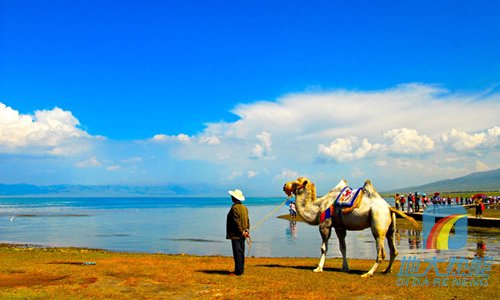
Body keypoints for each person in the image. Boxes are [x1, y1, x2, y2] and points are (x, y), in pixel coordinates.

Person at [226, 189, 250, 276]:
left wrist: (242, 231)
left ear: (234, 198)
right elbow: (247, 220)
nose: (231, 197)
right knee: (241, 252)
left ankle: (238, 271)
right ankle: (240, 269)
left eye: (232, 196)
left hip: (236, 234)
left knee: (237, 253)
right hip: (242, 234)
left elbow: (236, 222)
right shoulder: (244, 208)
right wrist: (246, 230)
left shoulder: (234, 208)